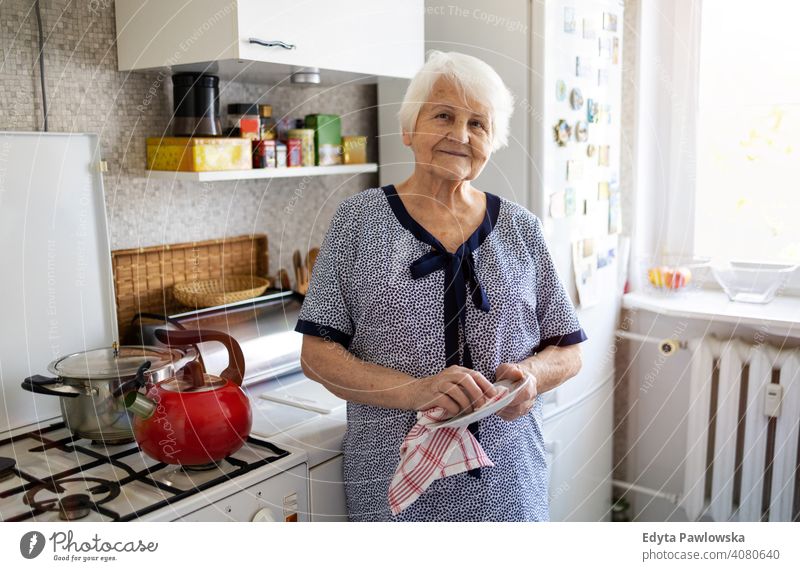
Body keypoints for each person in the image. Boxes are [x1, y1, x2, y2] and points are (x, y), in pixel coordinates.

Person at [295, 51, 587, 521]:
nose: (460, 135)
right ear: (409, 130)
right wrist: (418, 391)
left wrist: (531, 377)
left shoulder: (521, 228)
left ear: (493, 141)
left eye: (478, 124)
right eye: (444, 116)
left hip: (507, 485)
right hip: (392, 485)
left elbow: (568, 351)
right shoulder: (357, 221)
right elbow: (317, 356)